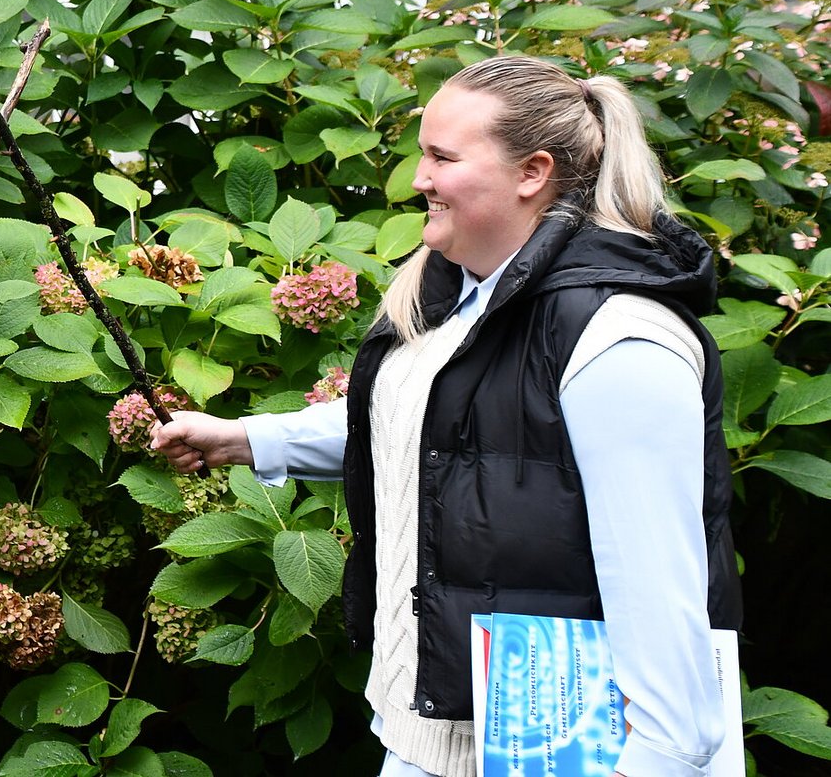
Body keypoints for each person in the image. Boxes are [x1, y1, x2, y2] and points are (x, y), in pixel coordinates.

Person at [153, 57, 742, 777]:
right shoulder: (465, 295)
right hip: (435, 739)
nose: (419, 179)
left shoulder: (617, 338)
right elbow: (431, 424)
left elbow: (660, 596)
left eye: (442, 157)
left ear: (532, 172)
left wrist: (659, 762)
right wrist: (248, 439)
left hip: (573, 758)